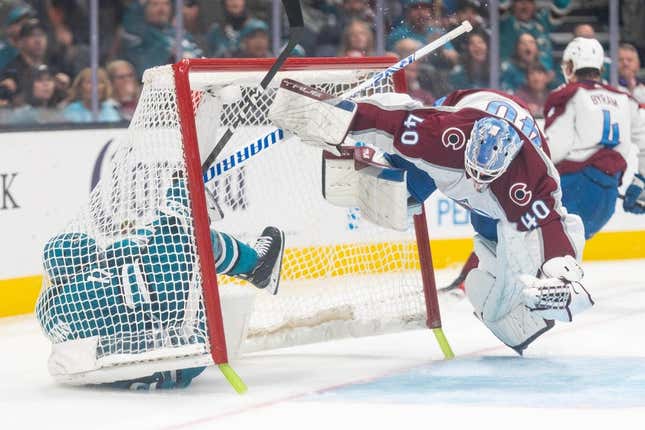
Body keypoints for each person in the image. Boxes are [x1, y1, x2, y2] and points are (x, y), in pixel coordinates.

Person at [268, 79, 593, 354]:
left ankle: (395, 174)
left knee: (499, 302)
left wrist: (564, 281)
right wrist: (318, 111)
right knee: (398, 197)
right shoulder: (441, 134)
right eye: (474, 172)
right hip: (465, 107)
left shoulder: (530, 180)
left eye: (486, 176)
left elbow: (551, 227)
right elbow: (384, 119)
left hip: (498, 195)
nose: (477, 182)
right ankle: (385, 166)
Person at [36, 179, 285, 390]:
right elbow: (153, 250)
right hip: (185, 353)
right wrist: (178, 197)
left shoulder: (50, 309)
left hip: (158, 367)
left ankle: (248, 266)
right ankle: (255, 266)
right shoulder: (99, 274)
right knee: (187, 236)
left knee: (172, 249)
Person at [545, 37, 645, 226]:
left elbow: (554, 150)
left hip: (571, 191)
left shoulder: (569, 95)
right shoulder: (625, 99)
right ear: (601, 68)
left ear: (570, 66)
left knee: (504, 231)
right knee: (567, 250)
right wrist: (641, 182)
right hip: (607, 199)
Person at [121, 0, 203, 77]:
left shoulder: (179, 33)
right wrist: (168, 48)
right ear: (145, 8)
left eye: (166, 4)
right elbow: (143, 67)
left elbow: (200, 59)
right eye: (155, 4)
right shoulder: (139, 32)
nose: (161, 9)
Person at [499, 0, 571, 72]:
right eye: (520, 1)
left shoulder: (543, 21)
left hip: (545, 77)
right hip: (513, 76)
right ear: (513, 5)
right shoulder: (506, 22)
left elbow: (561, 4)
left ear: (534, 5)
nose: (525, 5)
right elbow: (499, 4)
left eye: (529, 1)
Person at [386, 0, 458, 68]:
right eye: (415, 8)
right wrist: (430, 47)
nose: (420, 13)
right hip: (409, 77)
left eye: (424, 8)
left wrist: (440, 50)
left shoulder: (436, 32)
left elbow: (454, 58)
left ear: (430, 11)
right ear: (408, 12)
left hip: (436, 78)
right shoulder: (398, 34)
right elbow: (390, 60)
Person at [0, 4, 34, 72]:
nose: (26, 28)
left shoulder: (33, 49)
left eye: (28, 24)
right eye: (21, 24)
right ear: (9, 28)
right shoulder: (2, 51)